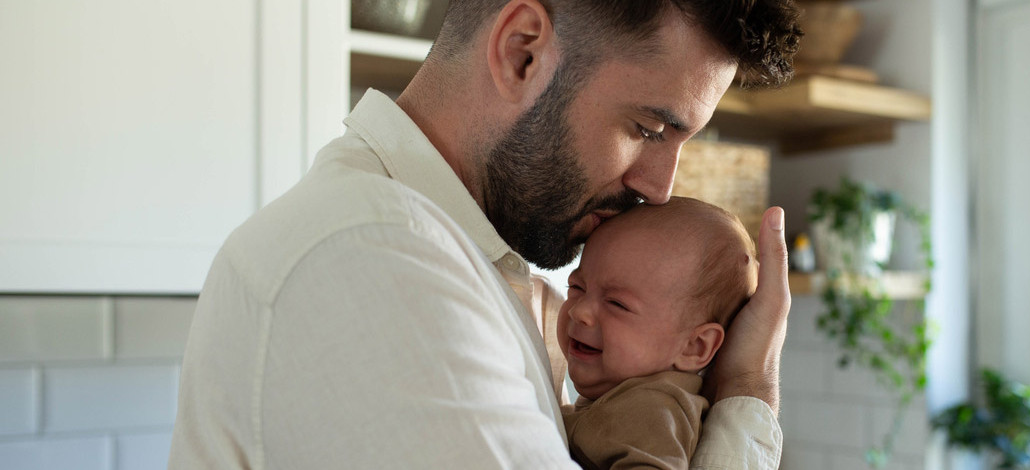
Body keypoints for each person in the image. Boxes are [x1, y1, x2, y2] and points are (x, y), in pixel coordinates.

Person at [169, 0, 800, 468]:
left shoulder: (468, 256)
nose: (661, 186)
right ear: (522, 52)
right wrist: (748, 391)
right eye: (648, 129)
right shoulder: (374, 255)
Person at [558, 197, 757, 469]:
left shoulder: (654, 409)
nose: (579, 311)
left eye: (617, 304)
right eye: (577, 287)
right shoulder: (628, 397)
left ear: (694, 347)